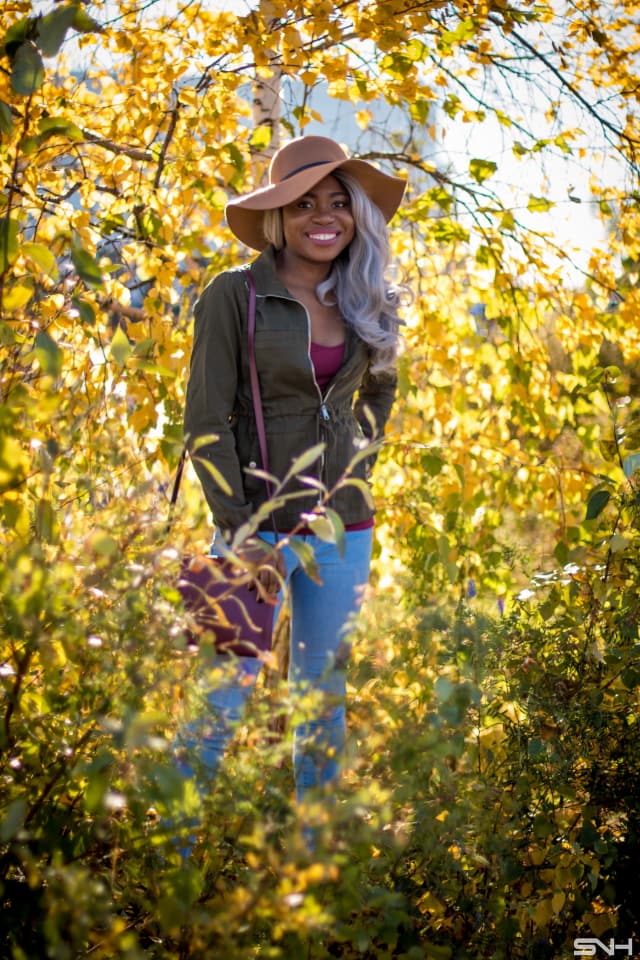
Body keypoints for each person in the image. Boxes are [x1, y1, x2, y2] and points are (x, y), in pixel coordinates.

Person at [181, 135, 406, 807]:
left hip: (344, 530)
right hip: (254, 528)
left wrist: (356, 454)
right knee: (217, 702)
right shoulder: (234, 295)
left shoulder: (368, 296)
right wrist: (240, 527)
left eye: (339, 202)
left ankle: (317, 876)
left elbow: (382, 391)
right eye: (305, 202)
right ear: (279, 215)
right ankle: (166, 869)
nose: (324, 216)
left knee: (321, 705)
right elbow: (204, 422)